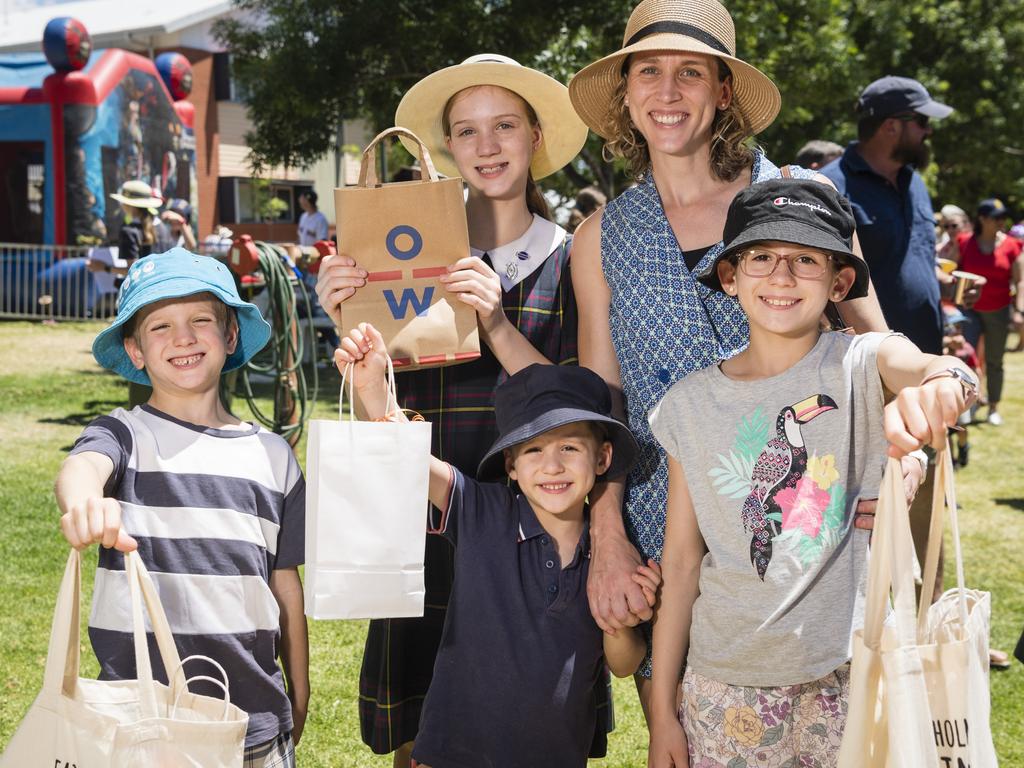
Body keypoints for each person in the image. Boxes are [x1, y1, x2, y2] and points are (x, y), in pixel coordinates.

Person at [565, 0, 889, 712]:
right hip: (662, 525)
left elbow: (879, 347)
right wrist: (607, 532)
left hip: (803, 518)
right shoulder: (599, 237)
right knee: (689, 729)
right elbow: (601, 407)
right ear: (625, 92)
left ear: (724, 91)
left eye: (692, 72)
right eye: (648, 71)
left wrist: (900, 467)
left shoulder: (803, 200)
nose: (668, 92)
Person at [315, 54, 589, 765]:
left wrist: (496, 323)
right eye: (467, 131)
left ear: (535, 134)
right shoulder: (401, 247)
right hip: (423, 525)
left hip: (533, 538)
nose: (487, 145)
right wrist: (344, 311)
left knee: (534, 728)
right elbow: (381, 386)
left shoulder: (573, 256)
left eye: (504, 125)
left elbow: (577, 406)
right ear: (448, 148)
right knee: (421, 738)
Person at [647, 179, 976, 767]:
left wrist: (946, 384)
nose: (781, 276)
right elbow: (680, 562)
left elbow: (932, 365)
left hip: (853, 667)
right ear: (730, 276)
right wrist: (661, 714)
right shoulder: (686, 407)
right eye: (761, 257)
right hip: (726, 684)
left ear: (838, 282)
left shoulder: (862, 361)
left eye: (805, 259)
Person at [335, 324, 655, 767]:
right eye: (533, 451)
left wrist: (619, 618)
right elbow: (411, 458)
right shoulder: (482, 513)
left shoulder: (604, 559)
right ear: (511, 464)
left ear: (602, 457)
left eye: (569, 446)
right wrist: (373, 390)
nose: (552, 466)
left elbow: (623, 664)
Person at [54, 249, 309, 767]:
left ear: (230, 334)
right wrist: (84, 503)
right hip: (142, 724)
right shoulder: (124, 434)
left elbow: (285, 588)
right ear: (136, 349)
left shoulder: (273, 455)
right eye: (160, 326)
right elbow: (81, 469)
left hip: (253, 723)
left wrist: (297, 695)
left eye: (200, 320)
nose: (184, 338)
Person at [820, 74, 953, 604]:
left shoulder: (914, 182)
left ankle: (936, 628)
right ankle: (880, 645)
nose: (927, 134)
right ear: (893, 125)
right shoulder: (830, 188)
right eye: (922, 124)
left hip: (926, 376)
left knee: (930, 511)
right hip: (865, 384)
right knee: (870, 522)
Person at [941, 198, 1024, 426]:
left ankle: (993, 407)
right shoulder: (965, 242)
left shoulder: (1012, 245)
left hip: (998, 311)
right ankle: (967, 407)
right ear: (983, 219)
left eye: (1003, 217)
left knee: (995, 360)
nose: (1002, 221)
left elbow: (1021, 281)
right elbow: (948, 269)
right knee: (965, 359)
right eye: (996, 217)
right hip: (969, 311)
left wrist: (1019, 311)